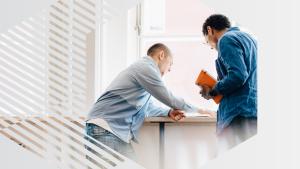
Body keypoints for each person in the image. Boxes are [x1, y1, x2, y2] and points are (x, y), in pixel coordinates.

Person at [85, 43, 206, 160]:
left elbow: (146, 107)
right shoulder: (145, 67)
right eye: (170, 64)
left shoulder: (144, 72)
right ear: (161, 55)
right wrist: (200, 110)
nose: (170, 70)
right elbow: (169, 98)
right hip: (103, 129)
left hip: (113, 132)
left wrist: (168, 112)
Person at [200, 14, 257, 153]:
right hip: (252, 110)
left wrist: (213, 90)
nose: (211, 46)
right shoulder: (250, 39)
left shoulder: (226, 40)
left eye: (207, 41)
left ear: (210, 30)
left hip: (238, 113)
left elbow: (238, 75)